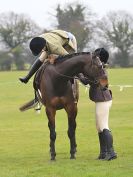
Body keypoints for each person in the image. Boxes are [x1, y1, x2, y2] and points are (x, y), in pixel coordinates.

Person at [78, 48, 117, 161]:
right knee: (99, 127)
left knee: (104, 126)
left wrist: (80, 75)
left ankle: (111, 152)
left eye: (96, 56)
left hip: (103, 100)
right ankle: (103, 153)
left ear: (99, 58)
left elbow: (102, 84)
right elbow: (88, 80)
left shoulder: (101, 70)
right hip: (101, 100)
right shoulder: (98, 68)